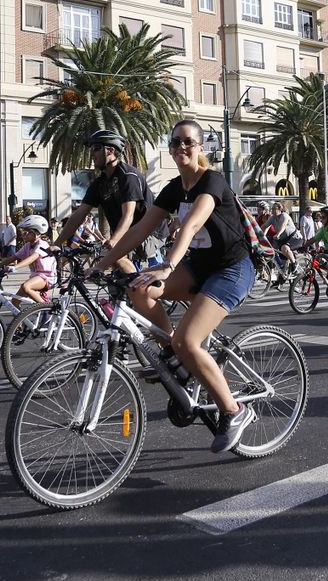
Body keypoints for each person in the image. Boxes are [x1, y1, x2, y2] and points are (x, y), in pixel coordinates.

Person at [90, 119, 258, 453]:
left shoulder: (213, 180)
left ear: (200, 148)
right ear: (170, 148)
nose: (182, 147)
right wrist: (101, 264)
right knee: (138, 287)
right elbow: (138, 231)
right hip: (198, 267)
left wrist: (167, 265)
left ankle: (235, 410)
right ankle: (173, 355)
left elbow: (194, 222)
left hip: (232, 269)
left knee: (188, 339)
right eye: (175, 142)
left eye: (188, 142)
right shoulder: (172, 188)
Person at [56, 129, 149, 272]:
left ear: (110, 150)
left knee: (117, 257)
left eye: (96, 149)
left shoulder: (128, 176)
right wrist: (56, 243)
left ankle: (140, 293)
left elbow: (128, 214)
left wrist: (114, 239)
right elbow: (79, 215)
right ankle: (126, 292)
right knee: (115, 283)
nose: (92, 154)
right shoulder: (99, 183)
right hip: (125, 233)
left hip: (148, 231)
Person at [0, 214, 58, 305]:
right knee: (15, 301)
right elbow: (12, 258)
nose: (23, 235)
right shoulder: (28, 245)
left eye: (26, 232)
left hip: (47, 277)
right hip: (35, 277)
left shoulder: (42, 244)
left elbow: (31, 258)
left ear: (37, 233)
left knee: (26, 286)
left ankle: (48, 309)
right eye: (23, 232)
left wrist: (14, 267)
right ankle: (22, 319)